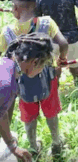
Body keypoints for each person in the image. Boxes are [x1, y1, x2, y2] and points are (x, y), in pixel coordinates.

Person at [0, 0, 68, 158]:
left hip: (22, 84)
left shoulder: (8, 32)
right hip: (47, 77)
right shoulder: (47, 22)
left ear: (15, 9)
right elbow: (63, 43)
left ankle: (33, 145)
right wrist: (61, 62)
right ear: (35, 4)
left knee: (29, 116)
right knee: (51, 111)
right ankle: (56, 142)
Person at [0, 33, 55, 162]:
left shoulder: (5, 63)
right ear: (35, 62)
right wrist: (12, 147)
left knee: (11, 136)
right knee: (10, 157)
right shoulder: (8, 84)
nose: (41, 70)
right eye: (43, 65)